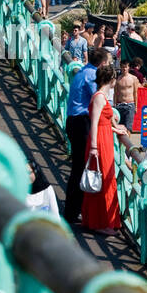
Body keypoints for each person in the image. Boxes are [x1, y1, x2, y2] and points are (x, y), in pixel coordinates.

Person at [81, 66, 129, 233]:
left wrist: (116, 130)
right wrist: (94, 146)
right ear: (112, 80)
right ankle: (102, 223)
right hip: (100, 141)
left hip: (103, 137)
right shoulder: (100, 97)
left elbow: (102, 121)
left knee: (103, 179)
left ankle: (98, 221)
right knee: (104, 180)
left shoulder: (100, 96)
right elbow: (94, 123)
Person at [63, 50, 108, 224]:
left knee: (78, 166)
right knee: (80, 167)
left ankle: (74, 208)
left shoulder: (83, 71)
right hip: (81, 122)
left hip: (73, 120)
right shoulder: (92, 75)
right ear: (103, 63)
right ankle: (73, 211)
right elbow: (97, 98)